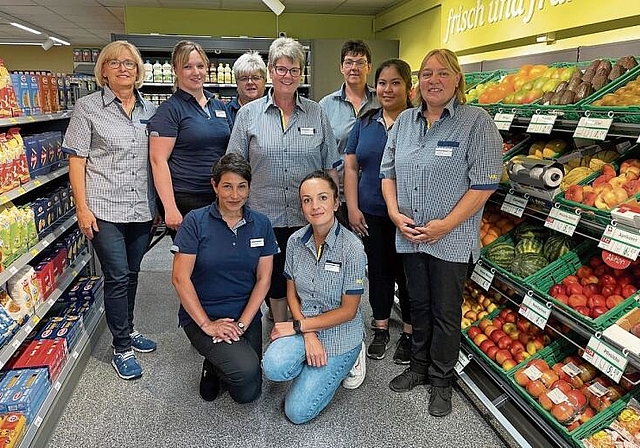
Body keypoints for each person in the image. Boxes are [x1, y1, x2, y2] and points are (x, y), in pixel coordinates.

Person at [380, 49, 502, 417]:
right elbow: (388, 172)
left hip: (450, 238)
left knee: (446, 312)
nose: (433, 80)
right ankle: (418, 367)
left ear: (457, 79)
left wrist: (446, 225)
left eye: (442, 73)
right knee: (418, 305)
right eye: (426, 73)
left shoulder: (476, 122)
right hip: (411, 234)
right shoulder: (404, 122)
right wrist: (393, 213)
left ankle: (442, 380)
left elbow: (484, 183)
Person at [226, 37, 340, 326]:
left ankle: (308, 324)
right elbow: (235, 167)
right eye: (281, 68)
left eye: (294, 69)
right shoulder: (249, 115)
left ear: (301, 73)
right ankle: (279, 327)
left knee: (308, 274)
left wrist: (334, 208)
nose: (287, 76)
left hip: (310, 216)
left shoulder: (317, 112)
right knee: (274, 276)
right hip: (264, 214)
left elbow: (330, 165)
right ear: (270, 71)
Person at [63, 40, 157, 380]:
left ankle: (128, 328)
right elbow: (78, 160)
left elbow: (156, 160)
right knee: (116, 275)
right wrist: (82, 208)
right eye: (115, 63)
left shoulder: (149, 110)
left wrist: (157, 204)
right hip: (104, 207)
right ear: (103, 70)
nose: (122, 68)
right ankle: (121, 347)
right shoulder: (88, 108)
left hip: (141, 208)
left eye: (129, 63)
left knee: (132, 273)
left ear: (138, 70)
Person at [171, 153, 278, 403]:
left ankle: (218, 360)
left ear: (250, 187)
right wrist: (208, 325)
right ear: (215, 186)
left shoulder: (261, 224)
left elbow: (264, 279)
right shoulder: (195, 222)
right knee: (245, 370)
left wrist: (241, 324)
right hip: (203, 315)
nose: (234, 195)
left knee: (248, 393)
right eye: (227, 186)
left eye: (242, 187)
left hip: (245, 315)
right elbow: (180, 278)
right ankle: (214, 359)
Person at [262, 171, 366, 424]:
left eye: (322, 197)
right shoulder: (296, 241)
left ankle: (355, 354)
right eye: (307, 200)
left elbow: (348, 311)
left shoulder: (352, 248)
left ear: (335, 201)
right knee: (272, 366)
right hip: (306, 326)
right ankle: (312, 361)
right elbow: (291, 294)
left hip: (341, 335)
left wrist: (298, 326)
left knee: (297, 413)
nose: (315, 206)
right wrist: (307, 334)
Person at [344, 59, 413, 364]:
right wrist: (353, 206)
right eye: (382, 83)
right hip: (371, 211)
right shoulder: (366, 122)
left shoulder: (419, 121)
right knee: (379, 272)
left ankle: (410, 334)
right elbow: (350, 165)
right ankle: (381, 327)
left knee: (408, 275)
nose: (387, 89)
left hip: (410, 214)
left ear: (408, 87)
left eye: (395, 82)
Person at [149, 40, 233, 235]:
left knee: (216, 258)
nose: (196, 72)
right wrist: (169, 207)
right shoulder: (169, 110)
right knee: (192, 260)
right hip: (186, 198)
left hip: (218, 196)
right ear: (175, 70)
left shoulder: (218, 106)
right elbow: (157, 160)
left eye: (200, 66)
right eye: (187, 67)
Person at [319, 39, 379, 225]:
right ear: (341, 67)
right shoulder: (325, 106)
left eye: (360, 62)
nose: (354, 68)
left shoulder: (382, 100)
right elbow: (321, 151)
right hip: (339, 194)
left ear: (369, 67)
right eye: (349, 62)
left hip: (375, 192)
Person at [226, 51, 267, 125]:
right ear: (237, 83)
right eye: (244, 78)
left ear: (265, 81)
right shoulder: (226, 112)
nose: (250, 82)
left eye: (255, 77)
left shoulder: (275, 111)